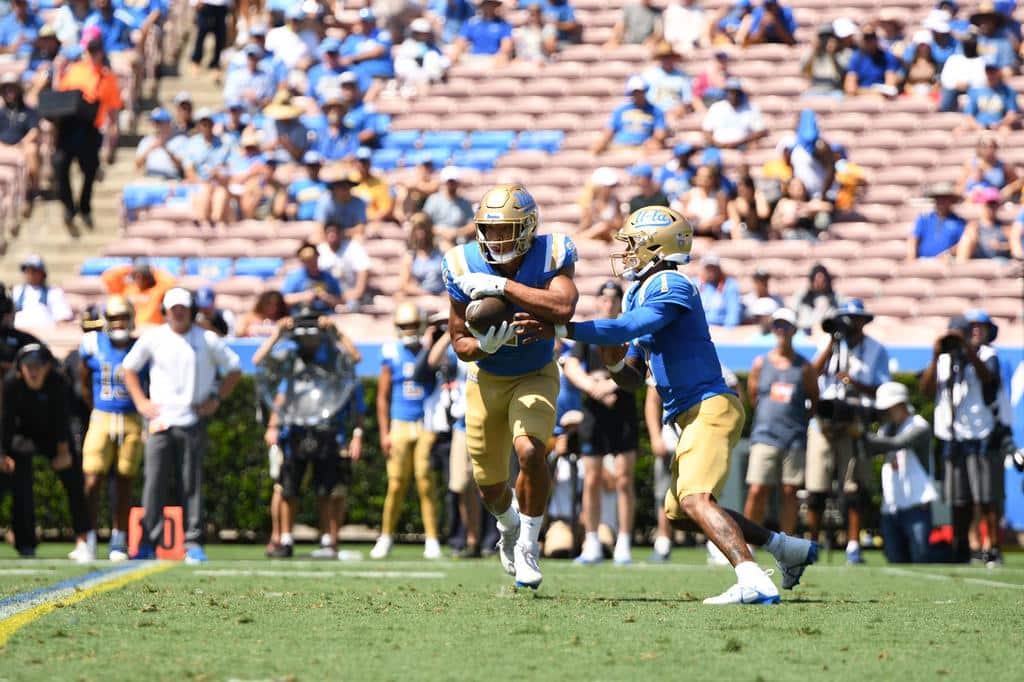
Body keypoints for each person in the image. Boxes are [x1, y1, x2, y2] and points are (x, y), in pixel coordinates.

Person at [523, 205, 817, 604]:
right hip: (690, 412)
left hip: (710, 404)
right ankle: (784, 547)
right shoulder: (640, 291)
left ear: (656, 246)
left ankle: (752, 578)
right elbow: (630, 376)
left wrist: (562, 327)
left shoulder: (671, 284)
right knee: (682, 510)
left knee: (695, 498)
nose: (626, 252)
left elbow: (628, 328)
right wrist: (612, 362)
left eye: (633, 244)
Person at [442, 184, 579, 589]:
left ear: (528, 228)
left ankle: (529, 546)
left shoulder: (551, 252)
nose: (497, 238)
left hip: (535, 371)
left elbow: (563, 307)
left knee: (531, 452)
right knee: (489, 484)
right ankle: (509, 528)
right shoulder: (461, 263)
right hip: (486, 378)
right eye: (490, 228)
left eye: (507, 230)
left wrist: (505, 289)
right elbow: (458, 341)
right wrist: (483, 345)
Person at [123, 288, 241, 563]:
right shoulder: (153, 338)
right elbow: (129, 369)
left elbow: (234, 370)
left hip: (192, 420)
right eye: (173, 308)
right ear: (165, 311)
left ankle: (192, 542)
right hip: (160, 421)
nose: (178, 312)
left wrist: (216, 399)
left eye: (183, 308)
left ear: (190, 310)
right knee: (154, 483)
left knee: (191, 484)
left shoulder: (208, 339)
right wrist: (141, 402)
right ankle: (148, 543)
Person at [255, 308, 364, 559]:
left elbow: (355, 357)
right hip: (294, 428)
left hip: (325, 429)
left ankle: (327, 539)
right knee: (288, 488)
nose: (308, 336)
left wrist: (336, 332)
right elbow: (259, 362)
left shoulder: (332, 354)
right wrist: (277, 333)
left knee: (326, 489)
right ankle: (285, 538)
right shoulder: (291, 356)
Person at [561, 281, 640, 565]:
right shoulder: (590, 332)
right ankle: (591, 542)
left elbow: (635, 370)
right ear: (597, 302)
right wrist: (592, 387)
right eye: (603, 298)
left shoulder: (629, 330)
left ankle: (624, 542)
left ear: (620, 303)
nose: (608, 304)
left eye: (613, 299)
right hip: (593, 412)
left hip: (623, 411)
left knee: (623, 478)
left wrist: (607, 385)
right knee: (591, 478)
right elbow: (571, 365)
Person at [807, 299, 890, 564]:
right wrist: (831, 344)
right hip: (824, 421)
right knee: (816, 485)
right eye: (846, 318)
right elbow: (811, 374)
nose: (850, 323)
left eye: (855, 318)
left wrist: (855, 383)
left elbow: (883, 389)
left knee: (853, 487)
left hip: (854, 418)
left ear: (863, 321)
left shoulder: (876, 349)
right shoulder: (829, 344)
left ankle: (853, 544)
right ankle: (812, 543)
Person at [921, 311, 1003, 564]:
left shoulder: (987, 355)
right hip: (952, 436)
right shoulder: (944, 360)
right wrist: (936, 355)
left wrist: (967, 349)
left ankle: (992, 549)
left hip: (980, 433)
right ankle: (960, 548)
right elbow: (924, 390)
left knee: (986, 496)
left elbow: (987, 378)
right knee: (958, 498)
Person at [370, 303, 443, 560]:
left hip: (425, 422)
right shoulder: (390, 351)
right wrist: (384, 432)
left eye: (412, 325)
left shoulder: (430, 350)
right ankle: (386, 536)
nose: (408, 330)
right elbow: (382, 396)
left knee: (425, 482)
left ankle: (432, 538)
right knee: (396, 484)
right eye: (404, 326)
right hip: (399, 423)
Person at [78, 296, 142, 562]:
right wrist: (96, 407)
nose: (118, 323)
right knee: (92, 479)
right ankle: (87, 538)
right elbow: (82, 381)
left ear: (131, 318)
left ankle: (119, 540)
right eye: (114, 318)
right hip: (102, 415)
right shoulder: (92, 343)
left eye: (123, 318)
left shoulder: (140, 346)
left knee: (125, 480)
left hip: (130, 417)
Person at [743, 308, 816, 536]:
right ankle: (748, 543)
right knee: (757, 490)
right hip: (764, 435)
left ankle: (786, 545)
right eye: (778, 326)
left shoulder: (804, 367)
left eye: (786, 326)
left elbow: (814, 399)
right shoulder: (760, 363)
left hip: (793, 438)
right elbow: (753, 397)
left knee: (789, 491)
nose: (781, 330)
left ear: (794, 330)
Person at [862, 382, 938, 564]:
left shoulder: (920, 426)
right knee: (895, 560)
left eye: (888, 407)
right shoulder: (886, 428)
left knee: (920, 557)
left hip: (916, 505)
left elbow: (898, 443)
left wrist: (862, 435)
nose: (885, 412)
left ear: (900, 404)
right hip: (891, 506)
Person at [54, 35, 122, 228]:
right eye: (90, 50)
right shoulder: (75, 70)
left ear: (101, 52)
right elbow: (60, 95)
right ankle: (69, 206)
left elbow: (114, 110)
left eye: (96, 50)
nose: (93, 54)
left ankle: (85, 206)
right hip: (69, 126)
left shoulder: (107, 77)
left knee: (90, 170)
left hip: (90, 129)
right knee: (60, 165)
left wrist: (113, 141)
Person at [591, 76, 667, 154]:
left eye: (640, 91)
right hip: (619, 146)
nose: (638, 95)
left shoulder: (655, 111)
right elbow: (609, 131)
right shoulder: (621, 110)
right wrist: (601, 143)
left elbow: (660, 133)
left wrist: (652, 141)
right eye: (635, 92)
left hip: (641, 147)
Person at [0, 71, 41, 215]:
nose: (9, 92)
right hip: (3, 146)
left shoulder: (28, 111)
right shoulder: (1, 112)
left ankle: (33, 188)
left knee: (31, 150)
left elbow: (34, 131)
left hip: (22, 145)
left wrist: (22, 143)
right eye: (6, 89)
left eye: (12, 88)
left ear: (18, 90)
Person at [101, 259, 176, 327]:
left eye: (144, 275)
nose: (139, 278)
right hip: (129, 329)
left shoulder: (156, 290)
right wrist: (131, 268)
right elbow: (108, 277)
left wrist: (153, 270)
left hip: (150, 329)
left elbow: (170, 282)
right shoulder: (127, 289)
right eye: (135, 275)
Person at [907, 182, 967, 261]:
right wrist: (911, 257)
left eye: (945, 198)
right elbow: (914, 238)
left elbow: (962, 243)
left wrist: (948, 254)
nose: (941, 202)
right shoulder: (924, 219)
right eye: (938, 198)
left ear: (951, 201)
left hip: (947, 263)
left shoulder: (959, 222)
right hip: (923, 261)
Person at [701, 78, 766, 149]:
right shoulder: (717, 107)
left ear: (740, 93)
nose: (733, 96)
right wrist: (716, 143)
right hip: (718, 147)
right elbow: (706, 130)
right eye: (730, 92)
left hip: (741, 147)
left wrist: (739, 142)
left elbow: (761, 131)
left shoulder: (750, 108)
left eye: (736, 93)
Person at [11, 254, 73, 328]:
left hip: (45, 335)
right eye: (27, 270)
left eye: (33, 271)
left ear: (42, 273)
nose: (30, 274)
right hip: (19, 335)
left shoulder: (54, 293)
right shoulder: (16, 291)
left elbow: (63, 318)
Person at [283, 242, 344, 314]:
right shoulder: (294, 277)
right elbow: (285, 299)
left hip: (326, 317)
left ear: (317, 257)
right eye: (307, 261)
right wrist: (303, 296)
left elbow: (341, 301)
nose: (311, 263)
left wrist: (326, 297)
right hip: (301, 316)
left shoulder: (328, 277)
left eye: (313, 259)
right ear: (302, 261)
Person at [395, 17, 450, 94]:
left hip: (430, 77)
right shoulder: (407, 46)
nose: (422, 35)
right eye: (419, 33)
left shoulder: (433, 47)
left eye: (424, 33)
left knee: (431, 56)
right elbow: (400, 67)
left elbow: (445, 62)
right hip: (411, 78)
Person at [423, 166, 475, 247]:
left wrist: (456, 232)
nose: (451, 184)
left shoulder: (465, 203)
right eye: (449, 181)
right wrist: (441, 232)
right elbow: (424, 222)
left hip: (459, 241)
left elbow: (472, 225)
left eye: (453, 181)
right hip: (436, 241)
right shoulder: (433, 200)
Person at [641, 42, 693, 122]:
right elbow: (641, 95)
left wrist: (679, 109)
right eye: (664, 57)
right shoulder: (649, 74)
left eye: (669, 57)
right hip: (652, 111)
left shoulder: (682, 76)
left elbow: (687, 100)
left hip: (674, 113)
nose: (667, 60)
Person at [844, 25, 901, 97]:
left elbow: (890, 86)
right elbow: (850, 88)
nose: (870, 41)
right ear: (862, 40)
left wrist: (875, 92)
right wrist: (871, 91)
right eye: (867, 38)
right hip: (861, 98)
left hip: (882, 99)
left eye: (872, 37)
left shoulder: (887, 56)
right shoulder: (856, 58)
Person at [450, 0, 513, 65]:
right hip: (473, 57)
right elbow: (460, 41)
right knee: (452, 53)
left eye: (492, 4)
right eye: (487, 3)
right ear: (481, 5)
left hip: (492, 58)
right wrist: (457, 51)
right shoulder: (471, 23)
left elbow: (506, 46)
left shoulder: (503, 24)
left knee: (502, 60)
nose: (489, 6)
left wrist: (499, 56)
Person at [958, 186, 1013, 260]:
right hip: (978, 263)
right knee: (967, 238)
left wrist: (1002, 246)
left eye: (994, 204)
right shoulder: (974, 227)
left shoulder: (1004, 227)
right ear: (983, 205)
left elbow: (1015, 244)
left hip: (1000, 262)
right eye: (989, 204)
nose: (992, 207)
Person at [398, 213, 445, 297]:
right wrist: (427, 294)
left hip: (443, 295)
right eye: (417, 229)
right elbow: (405, 285)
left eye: (424, 229)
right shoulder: (410, 256)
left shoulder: (441, 250)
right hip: (420, 297)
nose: (422, 234)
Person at [963, 62, 1020, 132]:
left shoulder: (1008, 91)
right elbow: (969, 115)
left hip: (1000, 126)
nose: (991, 74)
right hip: (979, 126)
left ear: (999, 72)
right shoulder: (976, 91)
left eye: (993, 71)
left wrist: (1000, 124)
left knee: (1005, 130)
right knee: (961, 130)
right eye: (988, 71)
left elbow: (1012, 114)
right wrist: (979, 127)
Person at [135, 108, 187, 180]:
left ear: (168, 123)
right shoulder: (146, 140)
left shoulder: (180, 140)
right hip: (150, 176)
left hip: (171, 178)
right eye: (153, 122)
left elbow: (182, 166)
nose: (155, 125)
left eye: (159, 122)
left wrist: (166, 148)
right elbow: (137, 165)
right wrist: (150, 148)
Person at [314, 169, 368, 236]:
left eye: (347, 186)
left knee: (360, 237)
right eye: (340, 186)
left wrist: (340, 234)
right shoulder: (324, 201)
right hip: (329, 237)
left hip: (349, 236)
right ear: (333, 189)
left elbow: (361, 228)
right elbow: (320, 227)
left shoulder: (358, 202)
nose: (345, 190)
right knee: (315, 238)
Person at [578, 166, 624, 241]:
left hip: (610, 236)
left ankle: (581, 238)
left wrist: (607, 224)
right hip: (595, 236)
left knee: (603, 227)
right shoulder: (590, 204)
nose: (612, 189)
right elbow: (585, 225)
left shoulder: (615, 201)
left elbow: (619, 224)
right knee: (601, 227)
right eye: (610, 186)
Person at [789, 263, 837, 334]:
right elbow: (792, 313)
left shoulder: (835, 299)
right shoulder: (802, 297)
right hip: (803, 336)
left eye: (823, 281)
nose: (820, 284)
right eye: (817, 281)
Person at [696, 254, 742, 328]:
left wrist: (727, 330)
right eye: (708, 268)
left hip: (720, 328)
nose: (711, 271)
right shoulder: (696, 285)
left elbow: (733, 313)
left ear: (719, 269)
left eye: (714, 268)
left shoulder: (729, 285)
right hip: (699, 329)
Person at [352, 146, 395, 223]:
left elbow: (385, 210)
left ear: (370, 163)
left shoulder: (380, 183)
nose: (362, 165)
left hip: (372, 222)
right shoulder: (348, 181)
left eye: (365, 162)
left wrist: (368, 220)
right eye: (359, 161)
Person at [801, 24, 846, 97]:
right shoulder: (812, 53)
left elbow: (841, 75)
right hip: (815, 89)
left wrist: (832, 54)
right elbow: (804, 71)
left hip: (833, 90)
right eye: (822, 37)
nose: (825, 39)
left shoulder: (842, 53)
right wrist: (814, 50)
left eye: (828, 36)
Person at [726, 174, 771, 240]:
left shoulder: (759, 199)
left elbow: (763, 213)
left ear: (751, 189)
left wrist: (758, 197)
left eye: (745, 189)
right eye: (740, 190)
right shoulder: (733, 204)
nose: (742, 192)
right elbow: (734, 227)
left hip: (762, 237)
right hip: (743, 237)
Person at [191, 0, 230, 74]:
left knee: (220, 37)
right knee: (201, 34)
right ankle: (196, 61)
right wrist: (195, 2)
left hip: (222, 6)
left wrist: (230, 3)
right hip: (206, 5)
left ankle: (216, 63)